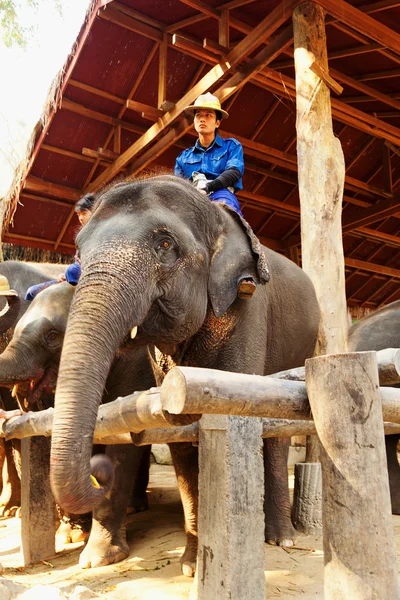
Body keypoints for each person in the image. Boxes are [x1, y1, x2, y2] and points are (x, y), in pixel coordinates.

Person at [174, 92, 256, 299]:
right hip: (191, 198)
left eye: (209, 115)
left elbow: (234, 172)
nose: (202, 119)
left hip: (220, 192)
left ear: (218, 122)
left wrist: (208, 188)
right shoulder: (183, 157)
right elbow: (178, 185)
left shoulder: (232, 146)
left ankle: (245, 273)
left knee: (230, 215)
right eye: (198, 115)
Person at [25, 194, 97, 301]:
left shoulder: (102, 233)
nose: (80, 218)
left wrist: (72, 272)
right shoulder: (82, 235)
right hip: (74, 276)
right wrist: (64, 275)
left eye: (84, 213)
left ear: (95, 212)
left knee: (72, 270)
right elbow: (77, 264)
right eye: (78, 214)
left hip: (92, 278)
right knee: (31, 291)